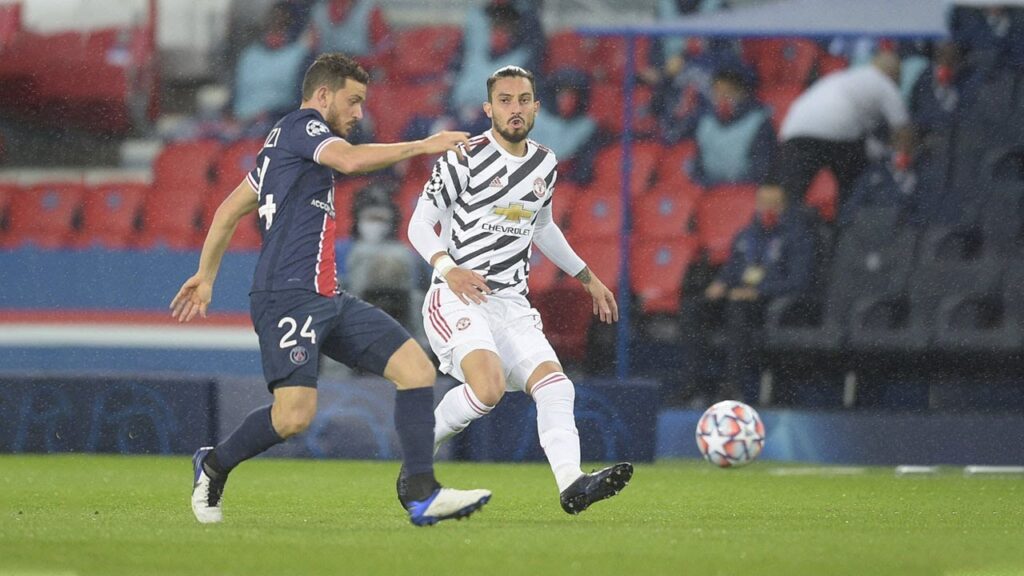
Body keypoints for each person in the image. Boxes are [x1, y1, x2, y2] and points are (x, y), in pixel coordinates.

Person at [171, 53, 491, 527]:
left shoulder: (278, 149)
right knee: (294, 416)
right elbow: (349, 158)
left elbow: (227, 210)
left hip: (326, 296)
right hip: (287, 295)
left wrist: (207, 274)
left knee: (416, 369)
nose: (359, 113)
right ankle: (214, 464)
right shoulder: (303, 126)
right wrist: (425, 145)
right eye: (353, 100)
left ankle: (422, 494)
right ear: (323, 96)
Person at [405, 65, 633, 515]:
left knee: (556, 387)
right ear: (489, 108)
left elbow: (542, 227)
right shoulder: (462, 158)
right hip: (456, 296)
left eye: (523, 99)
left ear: (536, 107)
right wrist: (448, 269)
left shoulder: (544, 162)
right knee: (486, 390)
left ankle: (572, 484)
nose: (515, 108)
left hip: (510, 301)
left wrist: (587, 277)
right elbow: (417, 225)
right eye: (505, 100)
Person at [678, 183, 814, 405]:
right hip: (736, 294)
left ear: (784, 207)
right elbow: (733, 268)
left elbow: (799, 280)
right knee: (695, 307)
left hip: (767, 302)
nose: (767, 209)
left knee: (737, 310)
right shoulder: (746, 234)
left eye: (773, 204)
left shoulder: (799, 237)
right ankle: (692, 385)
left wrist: (758, 292)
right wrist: (720, 283)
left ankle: (733, 387)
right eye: (763, 203)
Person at [776, 51, 914, 207]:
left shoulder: (842, 77)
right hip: (838, 133)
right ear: (894, 73)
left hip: (795, 131)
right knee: (855, 184)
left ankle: (790, 227)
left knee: (790, 196)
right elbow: (902, 128)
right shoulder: (883, 82)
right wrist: (905, 159)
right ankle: (848, 222)